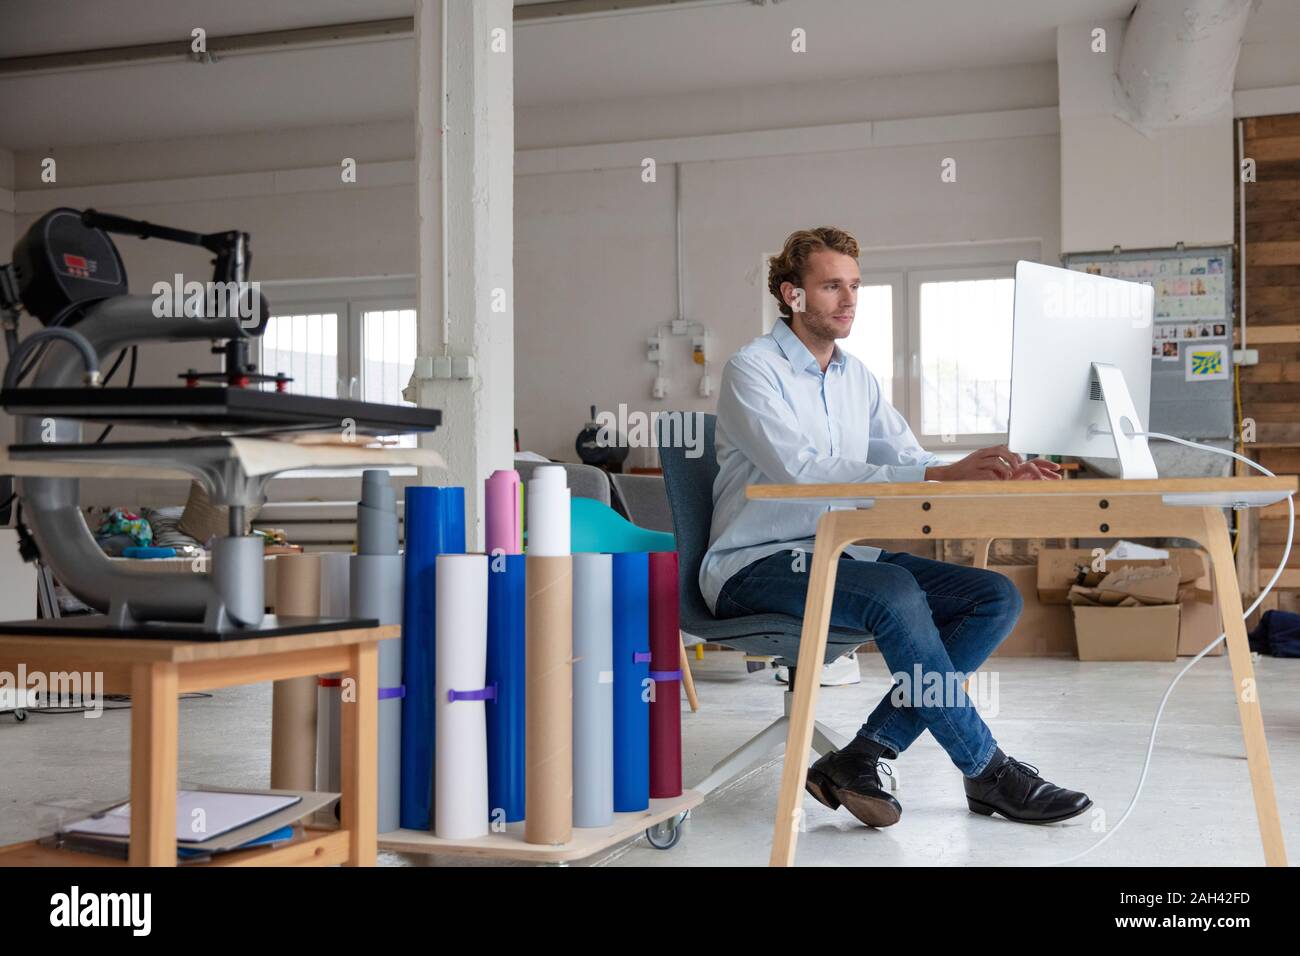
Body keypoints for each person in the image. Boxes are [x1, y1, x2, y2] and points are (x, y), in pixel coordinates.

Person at [700, 226, 1092, 828]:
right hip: (755, 564)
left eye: (854, 285)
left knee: (993, 598)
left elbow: (909, 456)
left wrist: (983, 472)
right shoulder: (752, 370)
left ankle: (864, 754)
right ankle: (988, 771)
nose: (849, 299)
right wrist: (941, 475)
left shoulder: (856, 377)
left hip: (840, 557)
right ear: (793, 295)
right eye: (831, 286)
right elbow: (802, 472)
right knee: (896, 593)